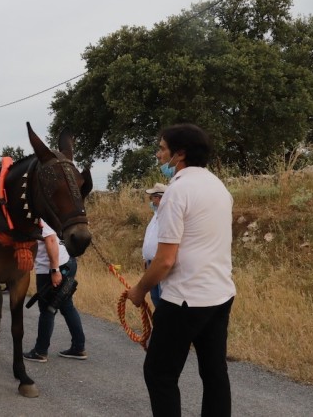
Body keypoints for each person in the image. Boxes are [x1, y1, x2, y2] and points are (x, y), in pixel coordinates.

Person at [126, 124, 235, 416]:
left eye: (162, 148)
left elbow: (165, 260)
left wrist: (139, 290)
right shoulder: (218, 186)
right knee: (214, 374)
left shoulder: (177, 191)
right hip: (220, 295)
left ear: (180, 154)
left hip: (185, 299)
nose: (159, 155)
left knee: (159, 373)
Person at [23, 219, 86, 362]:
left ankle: (40, 351)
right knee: (66, 305)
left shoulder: (41, 218)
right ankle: (78, 347)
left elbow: (51, 240)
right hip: (67, 261)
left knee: (47, 309)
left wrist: (54, 270)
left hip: (52, 268)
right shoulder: (49, 213)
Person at [142, 182, 168, 308]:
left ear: (159, 198)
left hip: (159, 263)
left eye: (152, 197)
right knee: (155, 296)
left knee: (162, 297)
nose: (151, 200)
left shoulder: (167, 215)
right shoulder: (156, 215)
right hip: (151, 263)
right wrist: (145, 258)